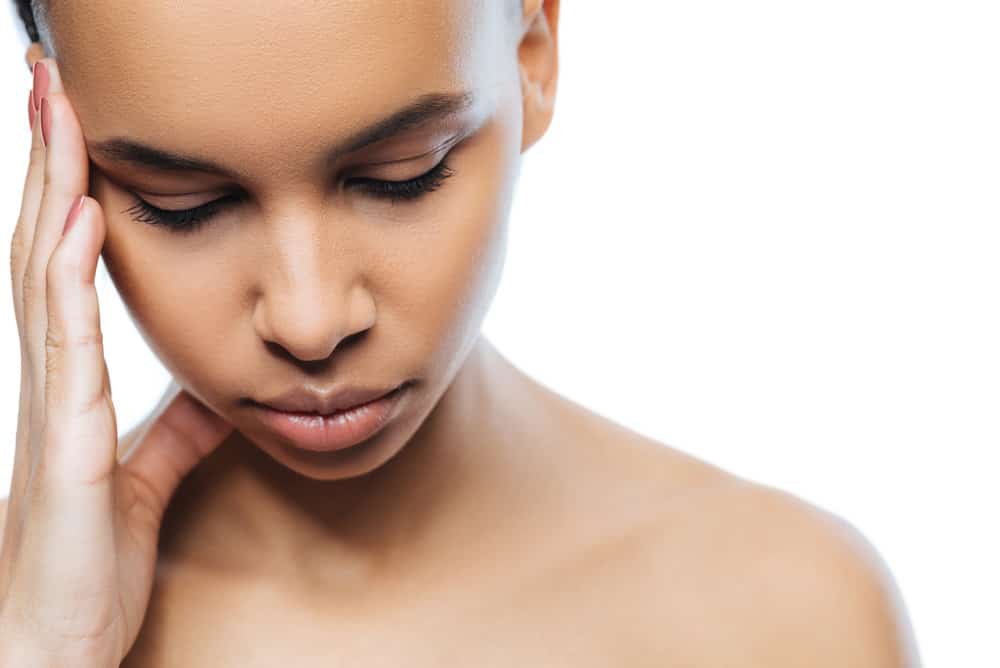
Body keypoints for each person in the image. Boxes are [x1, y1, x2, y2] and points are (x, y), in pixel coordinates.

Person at [0, 1, 922, 665]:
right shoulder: (25, 625)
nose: (311, 320)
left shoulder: (789, 616)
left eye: (402, 175)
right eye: (184, 205)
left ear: (534, 48)